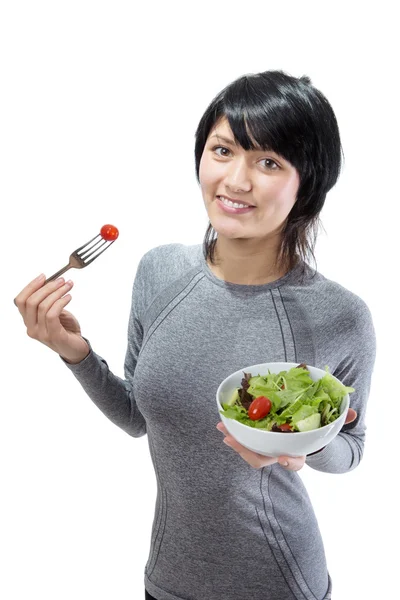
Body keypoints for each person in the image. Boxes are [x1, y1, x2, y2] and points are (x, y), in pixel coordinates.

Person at [14, 69, 376, 600]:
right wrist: (75, 353)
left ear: (309, 183)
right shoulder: (159, 272)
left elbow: (352, 448)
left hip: (278, 581)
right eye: (223, 150)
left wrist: (302, 451)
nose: (235, 181)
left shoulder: (341, 316)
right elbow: (140, 417)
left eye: (269, 162)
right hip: (166, 579)